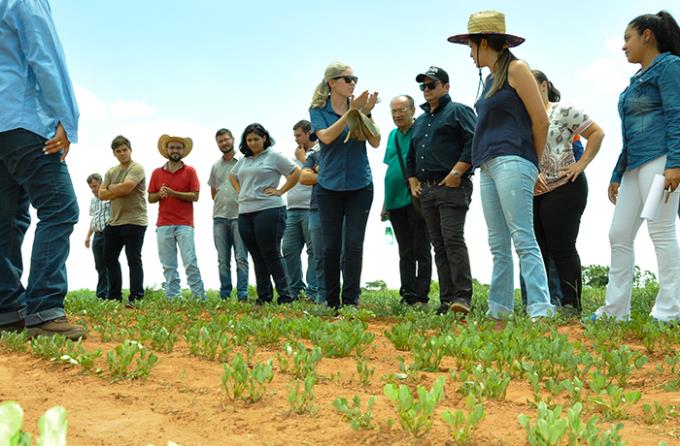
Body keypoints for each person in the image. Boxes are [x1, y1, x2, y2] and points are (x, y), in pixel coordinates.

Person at [448, 10, 555, 319]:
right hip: (488, 165)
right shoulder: (490, 79)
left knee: (523, 236)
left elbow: (541, 119)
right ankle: (499, 311)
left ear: (484, 42)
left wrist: (533, 163)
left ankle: (540, 309)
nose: (469, 54)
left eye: (470, 46)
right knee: (497, 243)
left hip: (514, 159)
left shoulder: (517, 69)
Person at [0, 0, 84, 339]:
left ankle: (7, 309)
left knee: (7, 218)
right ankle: (44, 309)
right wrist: (67, 117)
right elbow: (44, 55)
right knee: (60, 208)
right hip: (24, 119)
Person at [594, 11, 680, 323]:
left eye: (627, 38)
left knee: (661, 230)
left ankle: (669, 310)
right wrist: (618, 173)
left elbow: (676, 114)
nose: (623, 46)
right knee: (619, 233)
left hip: (660, 162)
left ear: (647, 35)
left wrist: (676, 163)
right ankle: (615, 311)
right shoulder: (636, 81)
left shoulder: (670, 66)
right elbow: (629, 135)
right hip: (634, 168)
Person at [531, 70, 605, 315]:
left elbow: (597, 132)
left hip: (565, 187)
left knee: (562, 247)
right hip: (534, 192)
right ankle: (545, 305)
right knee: (539, 249)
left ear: (543, 86)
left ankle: (571, 305)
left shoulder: (563, 111)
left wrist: (581, 163)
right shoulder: (525, 117)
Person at [309, 62, 380, 311]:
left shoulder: (360, 108)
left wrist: (366, 114)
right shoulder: (318, 110)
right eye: (347, 79)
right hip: (328, 187)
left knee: (353, 245)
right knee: (330, 247)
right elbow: (326, 137)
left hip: (360, 185)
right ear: (332, 83)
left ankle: (350, 301)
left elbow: (375, 141)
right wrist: (350, 115)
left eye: (354, 79)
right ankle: (330, 301)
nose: (352, 84)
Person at [406, 67, 475, 315]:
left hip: (452, 187)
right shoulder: (421, 122)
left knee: (453, 239)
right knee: (438, 244)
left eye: (431, 85)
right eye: (423, 86)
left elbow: (473, 141)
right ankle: (447, 300)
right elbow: (411, 155)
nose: (426, 90)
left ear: (446, 86)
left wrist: (457, 172)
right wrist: (413, 182)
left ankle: (462, 297)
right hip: (428, 191)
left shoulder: (458, 111)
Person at [229, 123, 299, 305]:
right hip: (245, 212)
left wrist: (280, 191)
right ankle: (264, 297)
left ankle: (285, 296)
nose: (252, 143)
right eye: (249, 139)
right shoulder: (244, 160)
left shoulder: (274, 156)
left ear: (264, 139)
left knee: (271, 253)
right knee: (257, 255)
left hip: (269, 210)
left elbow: (295, 173)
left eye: (256, 139)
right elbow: (232, 175)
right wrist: (240, 191)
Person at [384, 94, 432, 307]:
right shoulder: (392, 135)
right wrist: (385, 203)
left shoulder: (421, 129)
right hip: (394, 201)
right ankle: (408, 295)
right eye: (394, 111)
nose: (397, 115)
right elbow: (391, 166)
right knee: (404, 250)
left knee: (421, 248)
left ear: (413, 110)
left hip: (416, 197)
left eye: (402, 110)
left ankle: (421, 296)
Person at [148, 135, 206, 300]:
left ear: (183, 151)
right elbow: (151, 198)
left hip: (184, 224)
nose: (175, 150)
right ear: (166, 150)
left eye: (178, 148)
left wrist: (173, 193)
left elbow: (195, 196)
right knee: (168, 264)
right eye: (172, 147)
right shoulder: (157, 173)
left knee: (190, 261)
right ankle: (173, 297)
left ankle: (199, 296)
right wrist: (161, 194)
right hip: (163, 223)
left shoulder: (190, 171)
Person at [99, 135, 148, 305]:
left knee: (133, 259)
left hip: (135, 220)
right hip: (114, 222)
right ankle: (114, 297)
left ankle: (136, 297)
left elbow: (127, 188)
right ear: (114, 153)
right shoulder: (111, 171)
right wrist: (113, 190)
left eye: (124, 150)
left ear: (130, 150)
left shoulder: (137, 168)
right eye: (118, 151)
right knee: (109, 258)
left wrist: (110, 188)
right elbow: (101, 194)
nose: (122, 153)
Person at [209, 128, 249, 301]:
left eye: (226, 140)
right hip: (219, 217)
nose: (224, 143)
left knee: (241, 258)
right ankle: (225, 294)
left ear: (233, 140)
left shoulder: (243, 161)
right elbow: (213, 191)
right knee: (222, 260)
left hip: (240, 216)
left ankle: (242, 295)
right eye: (220, 141)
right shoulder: (215, 166)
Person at [281, 120, 318, 300]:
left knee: (314, 251)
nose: (296, 139)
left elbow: (321, 172)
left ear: (309, 133)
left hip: (311, 209)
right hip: (292, 210)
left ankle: (313, 291)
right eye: (294, 136)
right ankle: (295, 289)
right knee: (288, 249)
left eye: (298, 135)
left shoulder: (319, 151)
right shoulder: (295, 155)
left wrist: (304, 159)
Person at [85, 173, 111, 299]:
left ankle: (110, 294)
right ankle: (101, 295)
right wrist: (88, 236)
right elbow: (94, 218)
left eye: (95, 186)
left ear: (101, 183)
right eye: (90, 187)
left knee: (109, 264)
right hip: (97, 235)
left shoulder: (110, 197)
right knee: (99, 266)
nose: (93, 189)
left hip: (109, 234)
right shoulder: (93, 200)